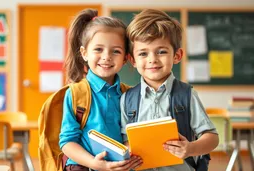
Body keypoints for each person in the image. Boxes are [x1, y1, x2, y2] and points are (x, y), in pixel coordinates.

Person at [120, 9, 219, 171]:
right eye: (143, 53)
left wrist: (191, 148)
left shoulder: (187, 95)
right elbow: (125, 141)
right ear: (133, 60)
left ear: (177, 56)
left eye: (161, 51)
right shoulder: (127, 99)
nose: (152, 59)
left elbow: (212, 138)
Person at [59, 8, 143, 171]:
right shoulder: (76, 93)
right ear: (84, 53)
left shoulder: (130, 95)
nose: (106, 56)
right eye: (98, 49)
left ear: (126, 57)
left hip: (120, 167)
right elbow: (67, 142)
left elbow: (133, 137)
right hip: (82, 166)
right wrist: (93, 163)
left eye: (116, 51)